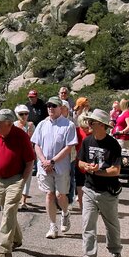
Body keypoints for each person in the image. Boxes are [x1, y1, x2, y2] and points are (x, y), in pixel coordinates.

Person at [75, 108, 123, 257]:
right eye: (88, 121)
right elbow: (80, 162)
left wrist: (99, 171)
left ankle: (115, 250)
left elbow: (116, 170)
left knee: (111, 224)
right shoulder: (87, 141)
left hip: (108, 192)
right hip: (89, 189)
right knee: (87, 224)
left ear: (101, 125)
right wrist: (86, 166)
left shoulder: (113, 145)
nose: (88, 124)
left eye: (91, 122)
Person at [0, 109, 35, 257]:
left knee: (8, 212)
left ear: (8, 123)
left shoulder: (21, 137)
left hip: (15, 179)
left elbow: (29, 161)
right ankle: (17, 238)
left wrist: (22, 181)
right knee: (6, 211)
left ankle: (4, 251)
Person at [31, 96, 78, 239]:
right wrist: (44, 161)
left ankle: (65, 213)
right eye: (48, 106)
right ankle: (53, 226)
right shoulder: (42, 125)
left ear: (60, 108)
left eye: (54, 106)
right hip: (44, 167)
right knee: (49, 195)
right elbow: (36, 144)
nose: (50, 108)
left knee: (60, 195)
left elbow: (69, 147)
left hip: (61, 167)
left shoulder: (68, 125)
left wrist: (52, 161)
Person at [14, 104, 35, 209]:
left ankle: (24, 201)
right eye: (21, 114)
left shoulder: (30, 125)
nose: (24, 116)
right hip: (16, 156)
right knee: (17, 178)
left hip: (28, 155)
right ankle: (16, 199)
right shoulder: (13, 125)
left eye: (26, 114)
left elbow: (33, 140)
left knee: (27, 178)